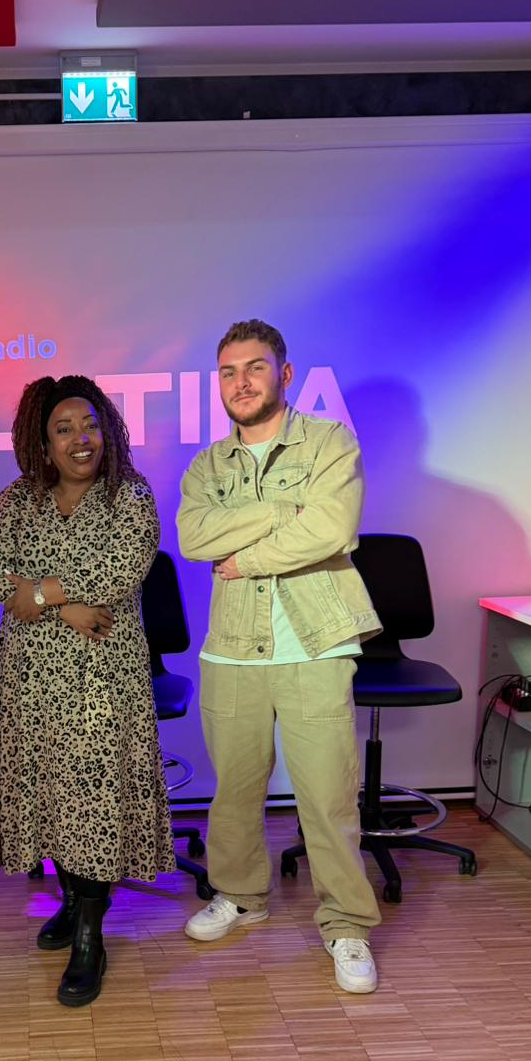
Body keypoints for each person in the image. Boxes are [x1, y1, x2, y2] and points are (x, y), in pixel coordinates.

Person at [176, 319, 383, 994]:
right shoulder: (207, 467)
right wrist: (280, 511)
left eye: (255, 368)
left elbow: (333, 528)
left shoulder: (329, 442)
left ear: (284, 374)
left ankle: (347, 923)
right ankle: (240, 896)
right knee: (234, 791)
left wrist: (248, 558)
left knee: (327, 795)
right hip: (232, 649)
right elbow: (193, 537)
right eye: (229, 372)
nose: (241, 382)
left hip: (316, 642)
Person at [0, 375, 174, 1007]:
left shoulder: (130, 497)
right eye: (63, 429)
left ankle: (90, 934)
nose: (80, 438)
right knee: (51, 797)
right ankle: (71, 901)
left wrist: (37, 592)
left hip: (102, 681)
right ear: (43, 442)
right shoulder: (17, 500)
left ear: (107, 430)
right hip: (29, 681)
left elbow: (119, 569)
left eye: (89, 424)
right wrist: (63, 606)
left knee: (92, 799)